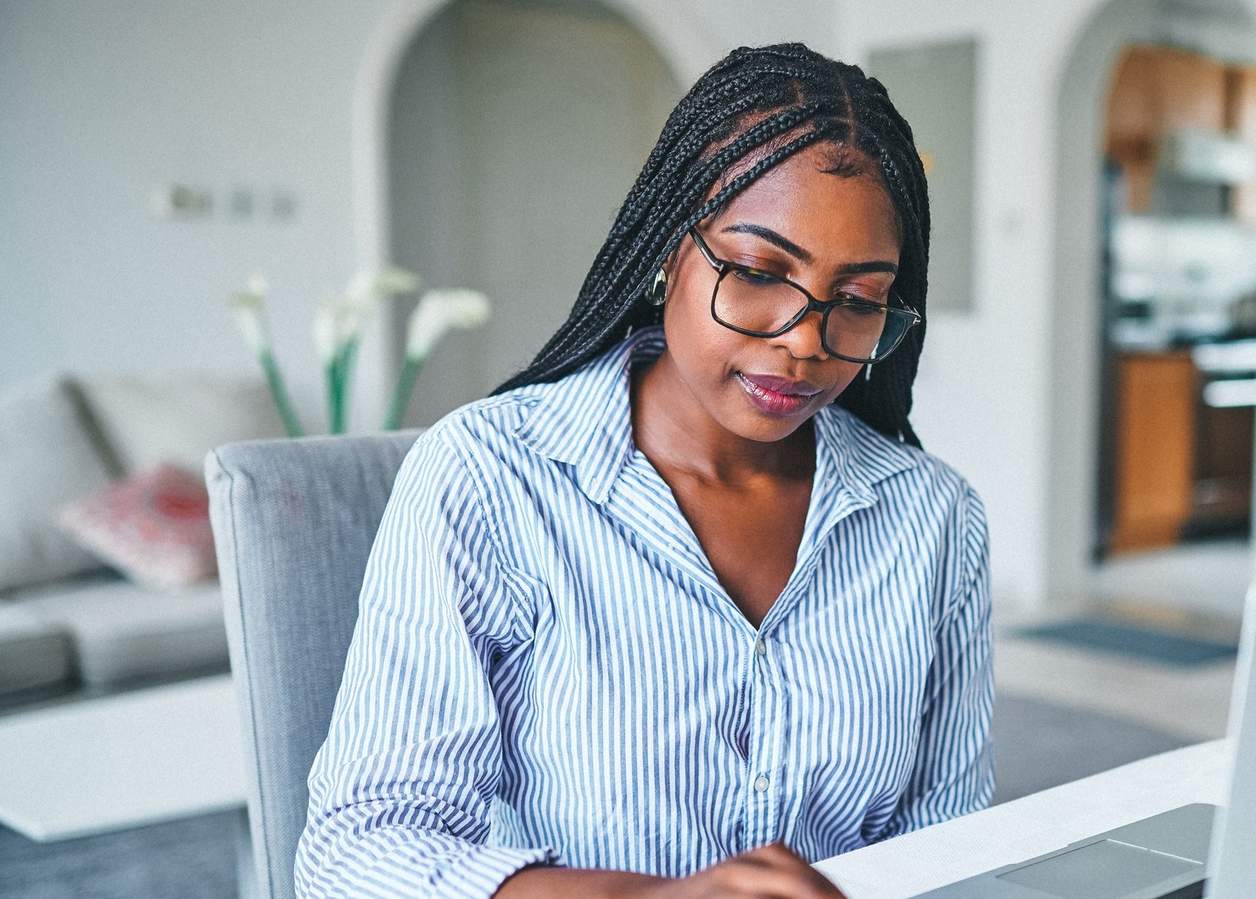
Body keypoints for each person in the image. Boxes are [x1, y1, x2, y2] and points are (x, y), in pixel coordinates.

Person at [292, 41, 994, 899]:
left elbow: (952, 846)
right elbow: (356, 850)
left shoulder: (933, 520)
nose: (804, 340)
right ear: (669, 251)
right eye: (759, 271)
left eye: (855, 301)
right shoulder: (492, 478)